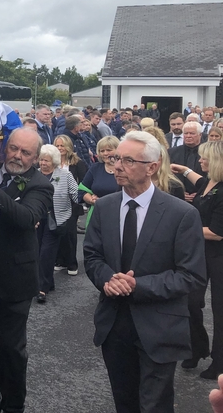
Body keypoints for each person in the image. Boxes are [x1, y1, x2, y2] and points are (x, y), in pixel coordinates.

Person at [84, 131, 206, 413]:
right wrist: (107, 279)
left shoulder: (181, 214)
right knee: (124, 402)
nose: (117, 167)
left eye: (128, 161)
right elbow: (92, 256)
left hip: (159, 326)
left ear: (152, 166)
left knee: (154, 406)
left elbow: (191, 275)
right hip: (114, 325)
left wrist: (137, 285)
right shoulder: (104, 207)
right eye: (116, 159)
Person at [0, 128, 53, 413]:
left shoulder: (40, 184)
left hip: (15, 280)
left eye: (25, 153)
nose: (17, 156)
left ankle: (13, 405)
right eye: (13, 149)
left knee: (10, 349)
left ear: (35, 158)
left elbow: (26, 218)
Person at [172, 141, 223, 379]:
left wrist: (183, 229)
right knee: (190, 302)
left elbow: (216, 232)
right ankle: (196, 347)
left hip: (218, 254)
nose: (199, 161)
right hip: (201, 253)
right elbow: (197, 179)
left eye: (204, 158)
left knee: (220, 309)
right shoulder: (207, 182)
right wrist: (181, 170)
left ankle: (219, 361)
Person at [36, 144, 78, 303]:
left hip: (57, 219)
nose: (43, 163)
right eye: (41, 160)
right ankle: (49, 282)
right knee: (38, 250)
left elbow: (76, 194)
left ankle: (42, 288)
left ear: (53, 161)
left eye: (46, 160)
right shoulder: (35, 175)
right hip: (37, 219)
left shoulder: (65, 175)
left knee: (46, 253)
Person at [53, 134, 87, 275]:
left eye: (62, 145)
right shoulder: (52, 162)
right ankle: (60, 260)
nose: (60, 148)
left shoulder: (77, 163)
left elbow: (84, 181)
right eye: (57, 145)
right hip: (55, 202)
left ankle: (72, 263)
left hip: (72, 202)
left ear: (69, 147)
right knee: (56, 231)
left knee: (70, 233)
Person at [80, 136, 121, 226]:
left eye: (109, 150)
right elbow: (82, 190)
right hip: (97, 215)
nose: (105, 153)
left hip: (119, 215)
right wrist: (91, 200)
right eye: (102, 151)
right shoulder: (95, 168)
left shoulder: (124, 169)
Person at [170, 121, 206, 202]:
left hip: (203, 197)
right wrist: (179, 193)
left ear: (200, 135)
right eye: (186, 133)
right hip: (177, 198)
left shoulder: (208, 153)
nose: (188, 136)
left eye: (192, 133)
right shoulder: (172, 152)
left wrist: (200, 193)